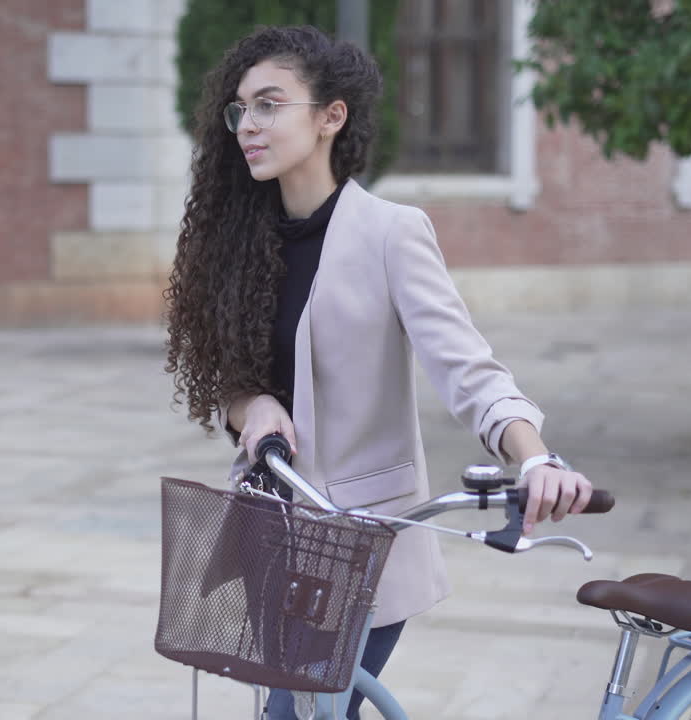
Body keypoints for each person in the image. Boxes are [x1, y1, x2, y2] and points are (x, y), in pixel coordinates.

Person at [163, 24, 594, 720]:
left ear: (332, 116)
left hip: (363, 549)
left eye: (271, 104)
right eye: (240, 108)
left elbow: (470, 370)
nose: (250, 124)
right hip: (274, 539)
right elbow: (236, 380)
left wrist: (537, 457)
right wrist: (254, 408)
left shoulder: (391, 232)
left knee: (293, 715)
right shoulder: (243, 238)